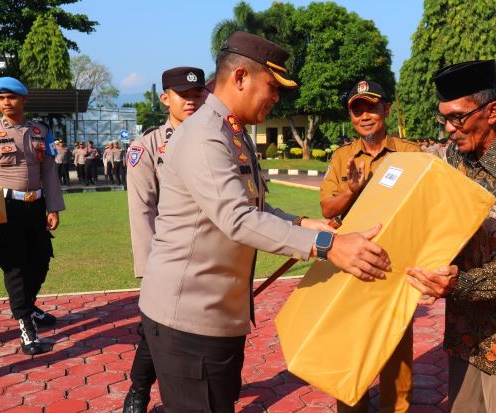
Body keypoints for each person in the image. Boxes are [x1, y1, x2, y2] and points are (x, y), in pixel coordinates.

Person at [137, 31, 391, 412]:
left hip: (216, 312)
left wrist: (306, 224)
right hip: (188, 318)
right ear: (240, 77)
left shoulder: (232, 134)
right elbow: (237, 219)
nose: (275, 97)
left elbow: (252, 207)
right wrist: (328, 246)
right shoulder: (206, 137)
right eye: (272, 86)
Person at [406, 60, 496, 413]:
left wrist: (456, 285)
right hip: (465, 315)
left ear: (492, 112)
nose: (449, 129)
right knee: (464, 405)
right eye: (444, 118)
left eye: (457, 117)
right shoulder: (456, 155)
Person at [319, 79, 420, 412]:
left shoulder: (409, 154)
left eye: (371, 107)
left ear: (386, 109)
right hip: (351, 267)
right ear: (351, 117)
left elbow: (426, 203)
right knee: (351, 349)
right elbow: (327, 209)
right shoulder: (342, 157)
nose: (364, 116)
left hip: (396, 267)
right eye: (357, 110)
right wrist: (352, 191)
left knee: (396, 352)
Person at [123, 66, 209, 413]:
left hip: (208, 255)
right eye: (183, 95)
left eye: (196, 94)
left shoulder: (216, 138)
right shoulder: (146, 148)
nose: (191, 101)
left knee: (201, 330)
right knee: (155, 330)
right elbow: (142, 211)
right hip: (168, 257)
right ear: (165, 98)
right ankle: (139, 389)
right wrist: (151, 270)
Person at [0, 77, 64, 355]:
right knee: (15, 266)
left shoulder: (40, 130)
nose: (6, 103)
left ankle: (28, 306)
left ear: (24, 99)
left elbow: (49, 172)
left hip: (36, 206)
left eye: (12, 97)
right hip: (5, 207)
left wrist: (53, 207)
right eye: (0, 98)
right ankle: (26, 325)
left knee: (41, 259)